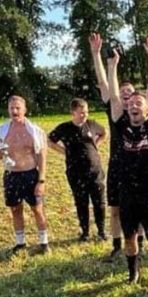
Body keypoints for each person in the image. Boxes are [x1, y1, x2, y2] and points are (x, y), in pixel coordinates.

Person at [107, 36, 148, 294]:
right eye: (131, 102)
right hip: (127, 194)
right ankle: (133, 271)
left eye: (139, 103)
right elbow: (114, 98)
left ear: (146, 111)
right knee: (130, 237)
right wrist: (113, 66)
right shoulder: (120, 124)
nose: (134, 104)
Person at [89, 33, 131, 261]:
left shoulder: (139, 115)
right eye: (122, 93)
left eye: (129, 93)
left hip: (135, 167)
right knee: (114, 209)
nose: (125, 95)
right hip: (115, 166)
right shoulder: (113, 111)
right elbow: (106, 85)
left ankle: (139, 245)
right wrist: (98, 55)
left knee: (136, 210)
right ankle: (116, 245)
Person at [48, 98, 107, 242]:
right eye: (81, 113)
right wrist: (64, 151)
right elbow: (50, 140)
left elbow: (104, 133)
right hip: (75, 172)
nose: (84, 115)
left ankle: (101, 231)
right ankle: (85, 232)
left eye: (86, 112)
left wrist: (95, 145)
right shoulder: (64, 128)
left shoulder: (91, 124)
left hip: (95, 171)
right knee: (81, 202)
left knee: (99, 202)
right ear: (73, 112)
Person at [0, 95, 50, 254]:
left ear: (25, 110)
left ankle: (44, 242)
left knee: (37, 209)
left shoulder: (34, 130)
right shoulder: (2, 129)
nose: (14, 111)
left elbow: (42, 156)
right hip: (11, 175)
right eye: (12, 108)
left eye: (18, 108)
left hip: (30, 175)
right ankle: (20, 243)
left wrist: (41, 180)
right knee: (15, 210)